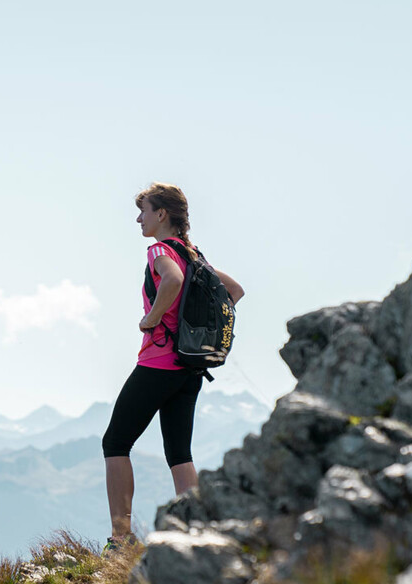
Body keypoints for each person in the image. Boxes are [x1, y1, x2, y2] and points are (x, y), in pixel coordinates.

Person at [101, 182, 245, 554]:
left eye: (144, 211)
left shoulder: (161, 251)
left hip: (159, 361)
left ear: (161, 214)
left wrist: (152, 317)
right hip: (191, 366)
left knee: (115, 442)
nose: (139, 218)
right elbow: (235, 291)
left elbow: (174, 280)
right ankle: (198, 531)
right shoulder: (194, 254)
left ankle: (120, 538)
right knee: (179, 451)